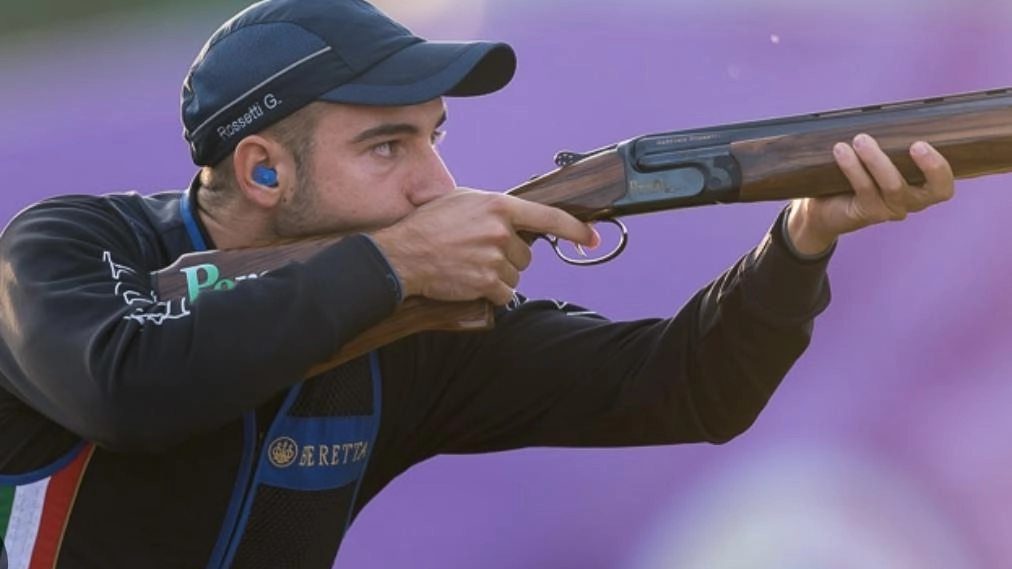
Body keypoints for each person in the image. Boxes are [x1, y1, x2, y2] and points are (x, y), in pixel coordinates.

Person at [0, 0, 954, 567]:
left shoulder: (411, 329)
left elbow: (690, 385)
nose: (437, 183)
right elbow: (124, 389)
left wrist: (800, 239)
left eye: (433, 136)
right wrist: (391, 266)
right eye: (387, 145)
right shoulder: (72, 244)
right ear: (260, 171)